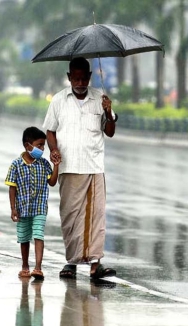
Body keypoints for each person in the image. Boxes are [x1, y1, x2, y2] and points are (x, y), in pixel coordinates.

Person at [42, 57, 118, 280]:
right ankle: (71, 263)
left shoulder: (100, 99)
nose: (80, 82)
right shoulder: (58, 100)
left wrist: (108, 111)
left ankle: (96, 264)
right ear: (69, 78)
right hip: (68, 166)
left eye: (84, 77)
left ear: (90, 76)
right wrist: (54, 150)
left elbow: (110, 131)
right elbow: (50, 131)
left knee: (95, 217)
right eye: (76, 78)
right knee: (70, 216)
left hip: (93, 166)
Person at [5, 126, 60, 280]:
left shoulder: (44, 164)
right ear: (27, 145)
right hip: (23, 208)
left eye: (43, 145)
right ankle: (25, 266)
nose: (42, 148)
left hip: (40, 207)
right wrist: (13, 208)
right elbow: (12, 188)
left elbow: (53, 182)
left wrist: (56, 165)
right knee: (24, 238)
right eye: (39, 145)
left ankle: (38, 267)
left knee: (38, 234)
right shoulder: (16, 165)